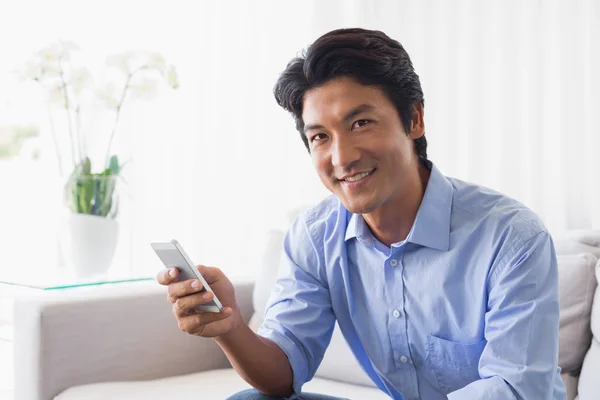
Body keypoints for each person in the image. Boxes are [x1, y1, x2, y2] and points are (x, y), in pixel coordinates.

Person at [156, 28, 566, 400]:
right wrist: (230, 329)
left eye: (361, 123)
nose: (343, 157)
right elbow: (282, 376)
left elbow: (516, 389)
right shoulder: (315, 236)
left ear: (415, 119)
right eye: (320, 136)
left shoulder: (511, 236)